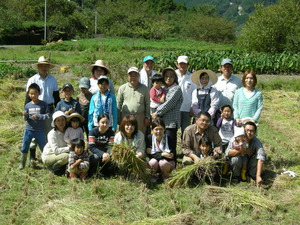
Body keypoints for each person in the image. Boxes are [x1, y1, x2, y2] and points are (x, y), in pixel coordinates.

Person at [25, 56, 60, 164]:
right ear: (38, 67)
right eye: (42, 66)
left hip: (48, 108)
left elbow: (57, 97)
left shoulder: (52, 79)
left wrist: (57, 111)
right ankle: (32, 157)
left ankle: (48, 156)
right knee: (34, 132)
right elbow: (27, 98)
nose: (44, 68)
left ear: (48, 67)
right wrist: (26, 112)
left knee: (49, 133)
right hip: (35, 108)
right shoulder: (32, 80)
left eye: (46, 66)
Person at [19, 83, 50, 169]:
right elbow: (25, 118)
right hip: (29, 130)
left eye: (35, 93)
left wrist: (39, 116)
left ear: (39, 93)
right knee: (25, 146)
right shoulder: (27, 105)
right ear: (28, 94)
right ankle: (22, 164)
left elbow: (48, 115)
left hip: (40, 130)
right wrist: (25, 115)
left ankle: (47, 163)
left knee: (44, 147)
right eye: (31, 93)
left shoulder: (43, 104)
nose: (33, 95)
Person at [151, 68, 183, 153]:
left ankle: (172, 163)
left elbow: (169, 104)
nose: (168, 78)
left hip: (171, 122)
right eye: (166, 76)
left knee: (170, 145)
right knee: (161, 145)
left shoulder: (176, 89)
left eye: (171, 76)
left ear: (175, 78)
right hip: (161, 122)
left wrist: (157, 112)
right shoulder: (163, 88)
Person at [226, 121, 266, 186]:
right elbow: (228, 153)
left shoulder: (257, 143)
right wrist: (244, 151)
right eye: (247, 130)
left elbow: (261, 158)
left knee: (257, 158)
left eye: (251, 131)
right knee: (235, 159)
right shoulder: (235, 139)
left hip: (249, 163)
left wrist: (258, 176)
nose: (249, 133)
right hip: (239, 162)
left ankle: (251, 176)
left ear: (255, 132)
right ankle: (236, 176)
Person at [117, 67, 150, 134]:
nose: (133, 77)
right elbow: (118, 103)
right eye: (131, 75)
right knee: (126, 136)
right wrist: (118, 117)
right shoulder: (122, 88)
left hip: (140, 118)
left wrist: (147, 117)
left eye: (135, 75)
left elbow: (147, 103)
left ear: (139, 76)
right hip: (126, 117)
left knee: (140, 136)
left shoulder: (144, 88)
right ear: (128, 77)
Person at [146, 118, 176, 182]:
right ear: (152, 130)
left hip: (167, 163)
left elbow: (171, 156)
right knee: (152, 162)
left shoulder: (169, 138)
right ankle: (154, 175)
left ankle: (165, 176)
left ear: (164, 129)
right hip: (155, 163)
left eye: (161, 129)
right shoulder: (149, 138)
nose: (158, 132)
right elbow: (149, 155)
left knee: (163, 163)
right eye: (156, 129)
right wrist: (163, 154)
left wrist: (154, 153)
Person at [213, 58, 242, 125]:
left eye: (229, 66)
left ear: (232, 68)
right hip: (218, 113)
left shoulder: (238, 81)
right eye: (224, 66)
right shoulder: (216, 81)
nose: (227, 68)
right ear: (221, 68)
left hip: (232, 114)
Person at [175, 56, 197, 136]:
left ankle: (185, 147)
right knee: (173, 131)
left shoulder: (192, 77)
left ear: (188, 65)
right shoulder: (173, 75)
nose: (182, 66)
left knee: (186, 132)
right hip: (174, 108)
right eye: (180, 64)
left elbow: (194, 93)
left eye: (184, 64)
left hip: (186, 109)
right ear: (177, 64)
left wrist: (193, 107)